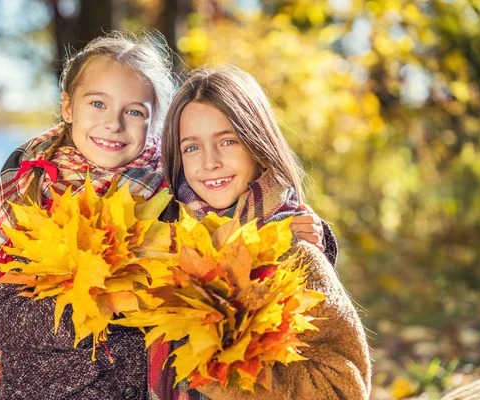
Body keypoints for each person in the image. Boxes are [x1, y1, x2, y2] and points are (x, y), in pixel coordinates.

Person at [0, 31, 332, 399]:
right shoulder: (33, 183)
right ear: (68, 106)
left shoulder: (177, 185)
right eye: (97, 104)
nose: (114, 123)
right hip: (45, 389)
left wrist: (312, 238)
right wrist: (103, 305)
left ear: (154, 120)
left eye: (133, 111)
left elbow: (247, 224)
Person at [159, 65, 371, 399]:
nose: (209, 161)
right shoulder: (165, 247)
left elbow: (346, 387)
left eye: (227, 141)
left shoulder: (295, 251)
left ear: (257, 145)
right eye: (192, 147)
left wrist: (228, 380)